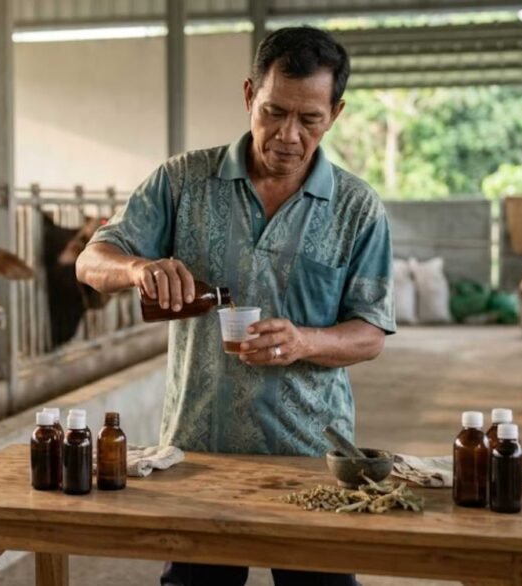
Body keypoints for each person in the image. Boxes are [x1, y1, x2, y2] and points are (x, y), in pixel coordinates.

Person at [76, 26, 395, 586]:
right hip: (197, 456)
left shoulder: (357, 208)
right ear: (249, 95)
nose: (288, 135)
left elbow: (369, 334)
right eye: (273, 111)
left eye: (309, 119)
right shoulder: (182, 182)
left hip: (313, 460)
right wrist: (137, 268)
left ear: (335, 114)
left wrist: (305, 341)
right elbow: (90, 263)